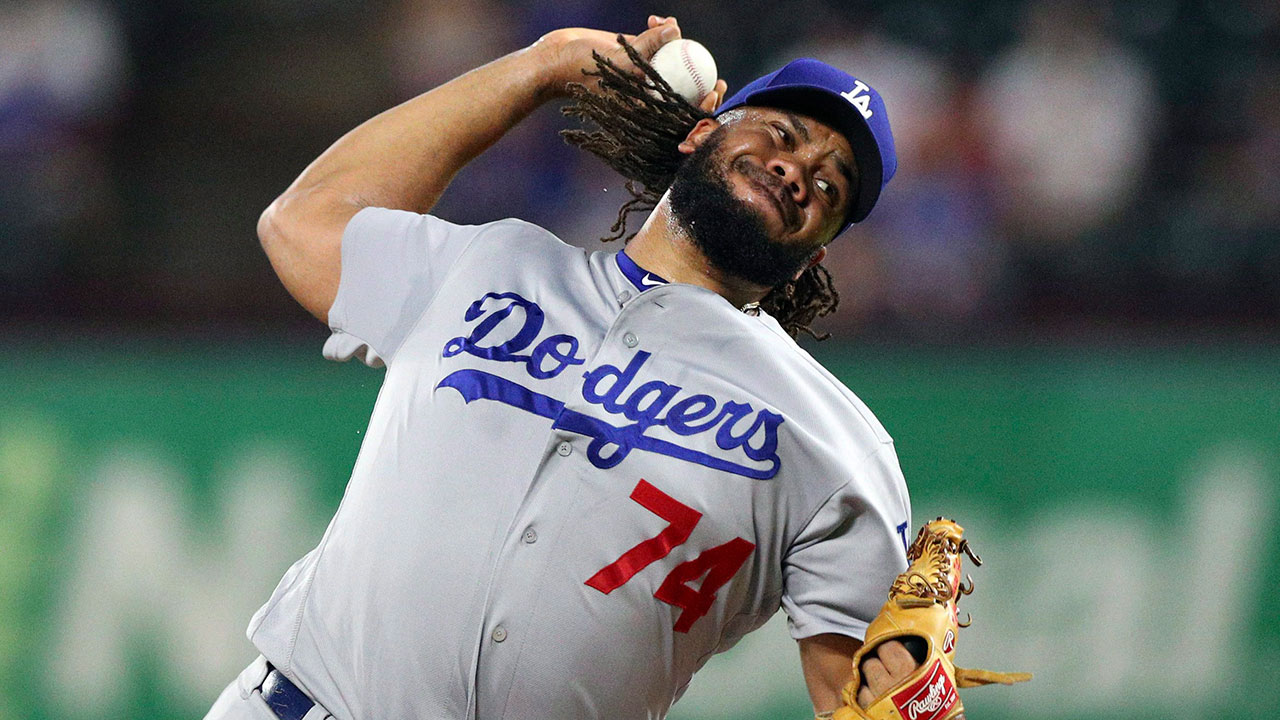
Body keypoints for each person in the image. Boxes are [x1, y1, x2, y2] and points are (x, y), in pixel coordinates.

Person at [205, 15, 915, 720]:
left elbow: (860, 696)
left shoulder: (836, 446)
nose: (798, 171)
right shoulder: (492, 263)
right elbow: (303, 221)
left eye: (830, 187)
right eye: (782, 135)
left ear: (816, 254)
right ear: (702, 133)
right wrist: (547, 66)